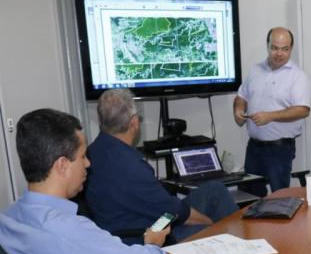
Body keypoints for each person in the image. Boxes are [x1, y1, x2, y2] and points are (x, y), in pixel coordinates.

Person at [0, 109, 172, 254]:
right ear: (62, 165)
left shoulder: (8, 219)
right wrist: (152, 244)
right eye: (82, 156)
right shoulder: (67, 230)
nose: (88, 164)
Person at [85, 89, 238, 243]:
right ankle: (243, 242)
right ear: (134, 122)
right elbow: (174, 212)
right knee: (216, 231)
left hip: (138, 218)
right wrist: (209, 224)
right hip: (148, 234)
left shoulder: (92, 152)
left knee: (215, 190)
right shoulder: (132, 168)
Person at [234, 27, 311, 196]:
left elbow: (302, 110)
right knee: (250, 197)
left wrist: (271, 116)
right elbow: (241, 96)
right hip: (253, 148)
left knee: (279, 199)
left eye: (285, 49)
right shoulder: (255, 70)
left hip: (279, 150)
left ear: (291, 48)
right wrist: (239, 109)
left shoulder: (298, 76)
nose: (279, 53)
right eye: (275, 48)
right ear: (267, 45)